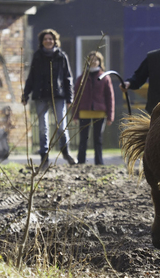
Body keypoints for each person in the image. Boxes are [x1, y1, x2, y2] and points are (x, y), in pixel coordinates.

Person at [22, 28, 76, 171]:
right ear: (42, 41)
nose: (48, 41)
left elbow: (67, 77)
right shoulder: (37, 56)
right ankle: (44, 159)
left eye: (50, 39)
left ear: (54, 41)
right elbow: (31, 77)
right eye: (45, 39)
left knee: (61, 126)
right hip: (40, 95)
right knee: (42, 128)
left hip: (58, 95)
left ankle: (66, 153)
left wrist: (70, 97)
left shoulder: (61, 56)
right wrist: (25, 94)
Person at [73, 51, 114, 165]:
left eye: (96, 60)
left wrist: (110, 116)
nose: (93, 62)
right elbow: (76, 97)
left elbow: (110, 97)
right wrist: (75, 115)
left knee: (98, 139)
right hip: (84, 112)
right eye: (91, 59)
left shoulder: (105, 77)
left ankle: (99, 162)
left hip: (99, 112)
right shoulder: (81, 78)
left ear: (100, 62)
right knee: (83, 139)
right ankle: (81, 161)